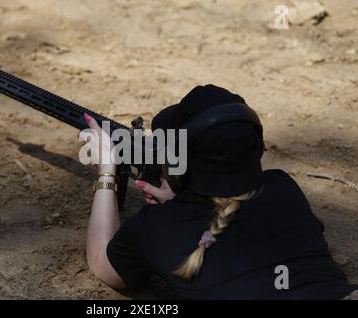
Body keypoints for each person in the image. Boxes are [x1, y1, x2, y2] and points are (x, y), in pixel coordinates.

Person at [78, 85, 357, 299]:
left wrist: (107, 169)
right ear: (257, 147)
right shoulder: (283, 188)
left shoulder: (157, 226)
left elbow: (103, 265)